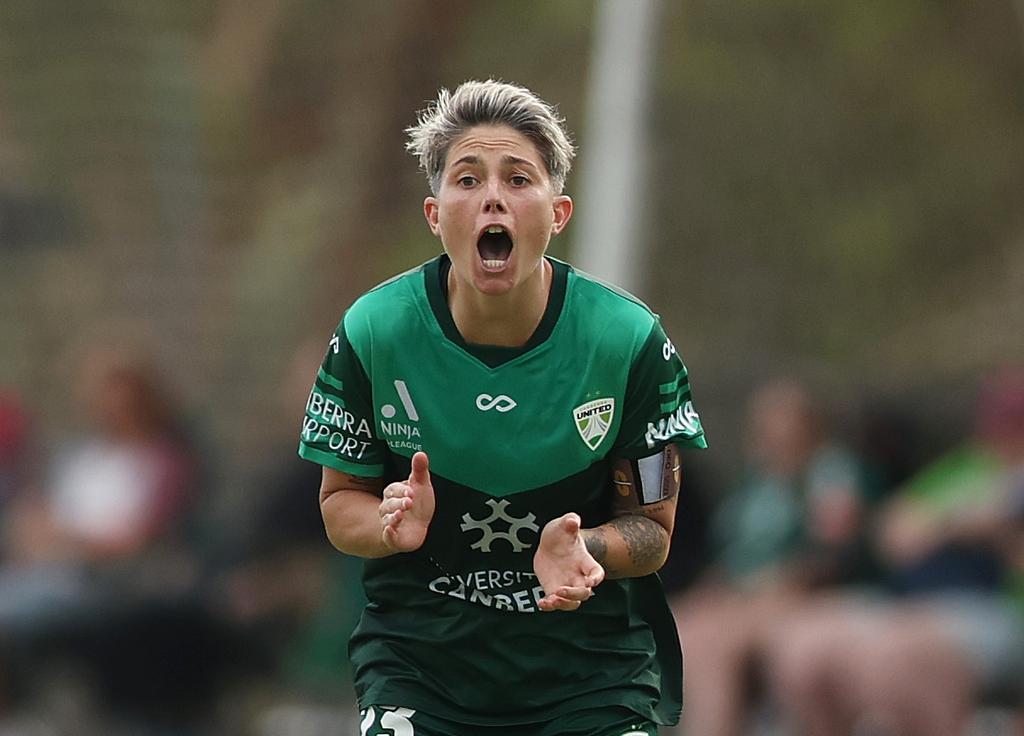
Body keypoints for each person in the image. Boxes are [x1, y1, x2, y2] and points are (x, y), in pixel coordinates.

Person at [297, 79, 708, 736]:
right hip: (421, 670)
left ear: (558, 213)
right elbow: (338, 502)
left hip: (592, 677)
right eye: (467, 179)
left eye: (518, 179)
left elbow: (652, 528)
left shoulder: (628, 341)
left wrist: (586, 547)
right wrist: (388, 523)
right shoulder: (374, 332)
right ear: (435, 215)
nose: (492, 195)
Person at [766, 370, 1024, 736]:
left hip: (996, 608)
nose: (1003, 432)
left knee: (894, 657)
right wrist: (957, 524)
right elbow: (895, 531)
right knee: (802, 646)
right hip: (913, 600)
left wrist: (987, 530)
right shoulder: (970, 466)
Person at [670, 379, 872, 736]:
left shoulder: (828, 472)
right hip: (742, 594)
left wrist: (778, 584)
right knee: (678, 627)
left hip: (799, 594)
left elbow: (835, 551)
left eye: (780, 418)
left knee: (713, 645)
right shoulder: (757, 480)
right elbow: (732, 552)